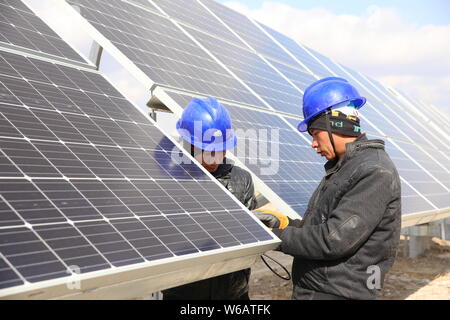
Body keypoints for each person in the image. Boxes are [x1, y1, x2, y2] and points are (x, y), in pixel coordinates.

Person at [254, 77, 402, 300]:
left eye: (315, 133)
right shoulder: (346, 168)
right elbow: (324, 227)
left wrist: (274, 237)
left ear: (334, 124)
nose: (313, 144)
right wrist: (284, 223)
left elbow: (331, 240)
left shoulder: (373, 170)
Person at [162, 97, 257, 300]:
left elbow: (250, 237)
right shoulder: (171, 181)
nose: (214, 158)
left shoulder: (241, 179)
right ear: (190, 146)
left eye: (220, 150)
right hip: (184, 293)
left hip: (234, 294)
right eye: (207, 151)